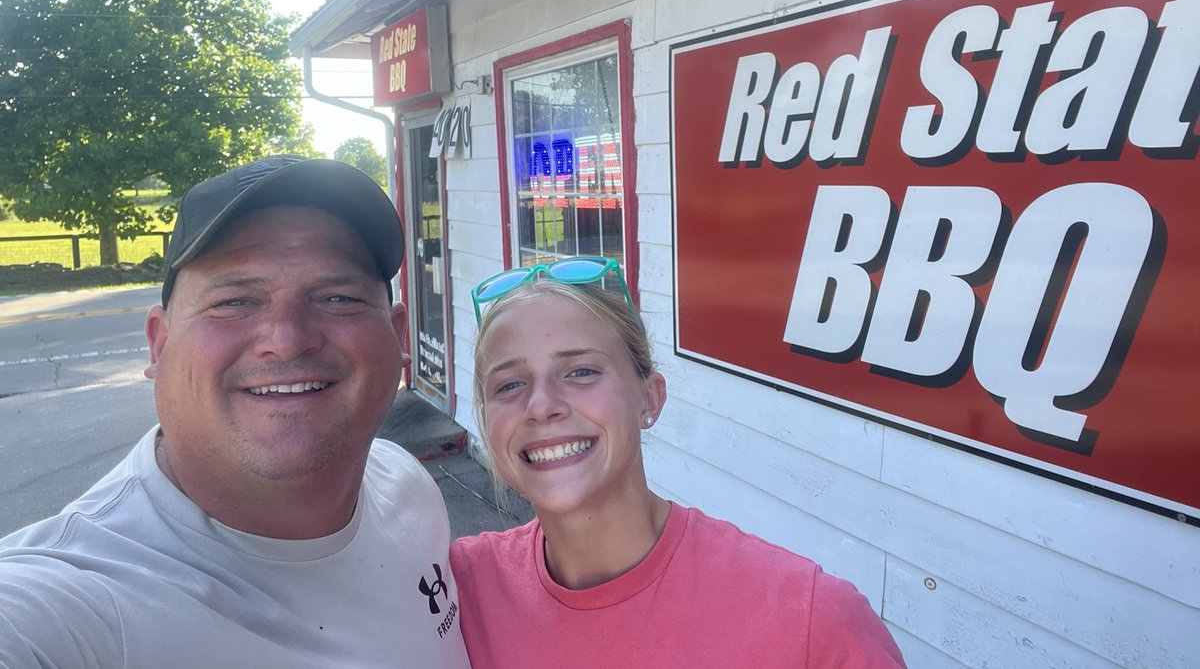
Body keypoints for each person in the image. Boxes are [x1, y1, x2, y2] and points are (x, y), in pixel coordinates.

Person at [0, 155, 469, 667]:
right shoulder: (74, 602)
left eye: (337, 297)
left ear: (398, 338)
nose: (287, 340)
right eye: (234, 301)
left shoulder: (407, 486)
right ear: (159, 347)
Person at [450, 256, 906, 668]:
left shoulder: (810, 624)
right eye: (509, 385)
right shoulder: (455, 594)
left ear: (650, 398)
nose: (541, 405)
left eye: (581, 372)